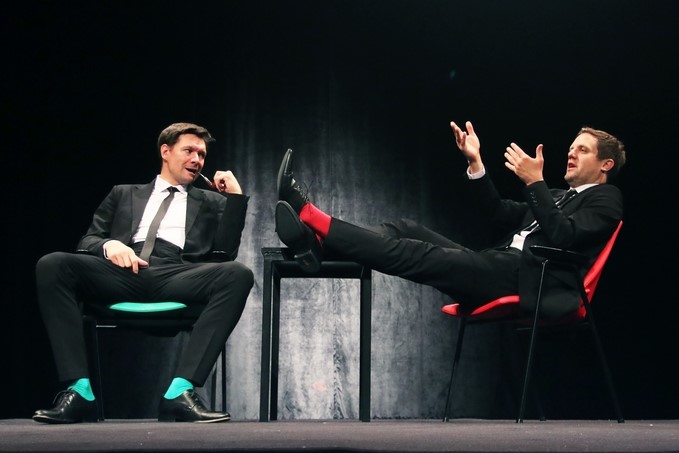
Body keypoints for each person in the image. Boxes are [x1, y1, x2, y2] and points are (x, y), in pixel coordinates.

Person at [275, 120, 625, 320]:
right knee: (405, 228)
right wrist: (476, 164)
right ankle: (319, 245)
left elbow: (563, 236)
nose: (571, 154)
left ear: (606, 164)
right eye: (571, 148)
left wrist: (535, 183)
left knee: (420, 253)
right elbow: (497, 214)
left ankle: (310, 215)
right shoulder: (558, 196)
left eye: (582, 150)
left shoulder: (607, 198)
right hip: (496, 266)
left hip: (523, 280)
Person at [33, 122, 254, 424]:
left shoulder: (212, 202)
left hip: (177, 274)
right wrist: (110, 245)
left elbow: (224, 255)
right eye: (189, 151)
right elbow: (88, 240)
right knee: (52, 264)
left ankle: (180, 391)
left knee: (237, 274)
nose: (197, 160)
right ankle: (80, 391)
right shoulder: (123, 193)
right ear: (166, 151)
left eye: (202, 155)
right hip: (123, 273)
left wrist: (236, 199)